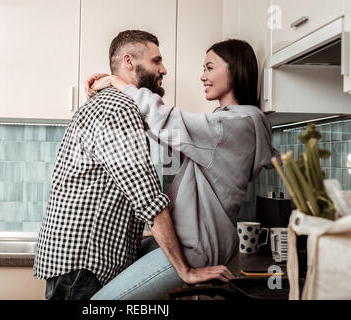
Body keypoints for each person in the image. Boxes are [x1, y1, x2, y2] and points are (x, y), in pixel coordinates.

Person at [33, 30, 234, 300]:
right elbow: (148, 198)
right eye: (156, 61)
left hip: (77, 266)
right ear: (129, 62)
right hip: (83, 269)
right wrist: (185, 270)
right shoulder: (118, 108)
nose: (164, 69)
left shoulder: (109, 104)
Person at [85, 38, 278, 299]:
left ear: (234, 68)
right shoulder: (229, 124)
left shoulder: (234, 124)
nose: (202, 76)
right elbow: (170, 135)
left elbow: (169, 122)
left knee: (100, 304)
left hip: (194, 246)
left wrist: (118, 83)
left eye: (209, 68)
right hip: (191, 239)